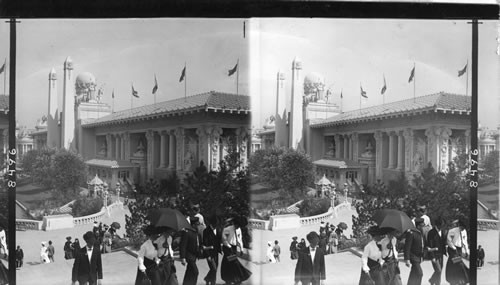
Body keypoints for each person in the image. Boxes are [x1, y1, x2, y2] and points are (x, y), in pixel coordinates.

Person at [221, 217, 251, 285]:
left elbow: (239, 240)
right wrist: (229, 247)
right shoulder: (227, 229)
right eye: (237, 225)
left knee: (228, 264)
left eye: (239, 226)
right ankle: (239, 278)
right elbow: (224, 240)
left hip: (233, 248)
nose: (238, 227)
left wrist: (241, 249)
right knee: (234, 262)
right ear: (234, 223)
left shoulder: (238, 229)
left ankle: (230, 279)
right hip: (227, 247)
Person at [445, 220, 469, 285]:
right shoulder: (452, 231)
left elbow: (465, 241)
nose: (462, 229)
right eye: (461, 228)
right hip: (452, 249)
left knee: (455, 265)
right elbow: (449, 240)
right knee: (459, 264)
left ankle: (457, 281)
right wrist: (453, 247)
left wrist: (466, 251)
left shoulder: (464, 231)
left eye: (464, 228)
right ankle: (459, 280)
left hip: (459, 249)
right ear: (459, 226)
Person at [180, 216, 202, 285]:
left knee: (189, 272)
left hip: (194, 255)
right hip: (189, 255)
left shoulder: (197, 232)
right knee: (195, 272)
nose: (198, 226)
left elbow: (198, 243)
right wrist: (183, 257)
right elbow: (183, 245)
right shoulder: (187, 232)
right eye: (197, 224)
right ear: (193, 225)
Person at [404, 218, 425, 285]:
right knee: (420, 273)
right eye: (422, 226)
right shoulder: (411, 233)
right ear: (418, 226)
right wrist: (407, 259)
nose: (423, 227)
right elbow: (407, 246)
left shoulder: (420, 233)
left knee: (414, 274)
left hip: (418, 256)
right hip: (413, 256)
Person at [202, 215, 222, 285]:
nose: (216, 226)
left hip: (216, 252)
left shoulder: (218, 229)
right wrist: (208, 256)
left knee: (215, 268)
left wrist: (221, 249)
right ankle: (213, 282)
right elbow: (205, 244)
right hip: (209, 253)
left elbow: (219, 241)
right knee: (213, 268)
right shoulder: (206, 231)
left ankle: (208, 279)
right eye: (215, 224)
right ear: (211, 224)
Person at [427, 218, 447, 285]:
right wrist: (432, 257)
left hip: (441, 254)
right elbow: (430, 245)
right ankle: (433, 281)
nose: (442, 227)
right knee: (438, 270)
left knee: (440, 270)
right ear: (437, 225)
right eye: (441, 225)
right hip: (434, 254)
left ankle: (434, 281)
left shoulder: (443, 231)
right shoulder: (431, 233)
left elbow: (444, 242)